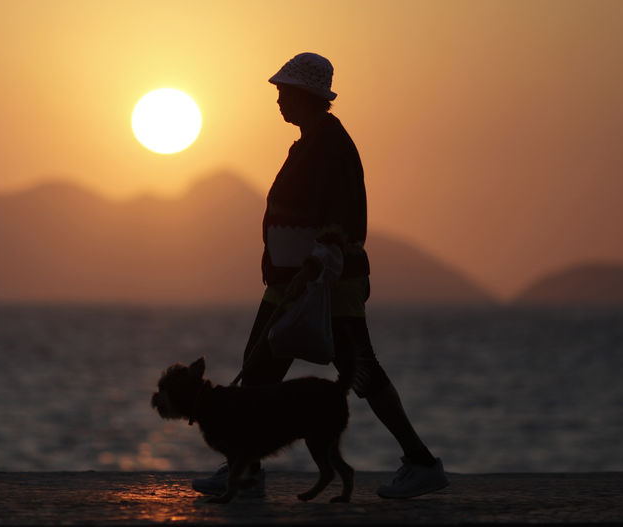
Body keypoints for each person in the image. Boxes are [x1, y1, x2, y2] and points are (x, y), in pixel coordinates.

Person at [192, 52, 449, 499]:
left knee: (360, 371)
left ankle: (422, 462)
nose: (277, 100)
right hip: (293, 282)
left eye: (283, 91)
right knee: (259, 370)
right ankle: (245, 472)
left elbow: (343, 219)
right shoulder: (314, 140)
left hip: (322, 284)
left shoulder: (330, 144)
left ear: (305, 95)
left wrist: (317, 269)